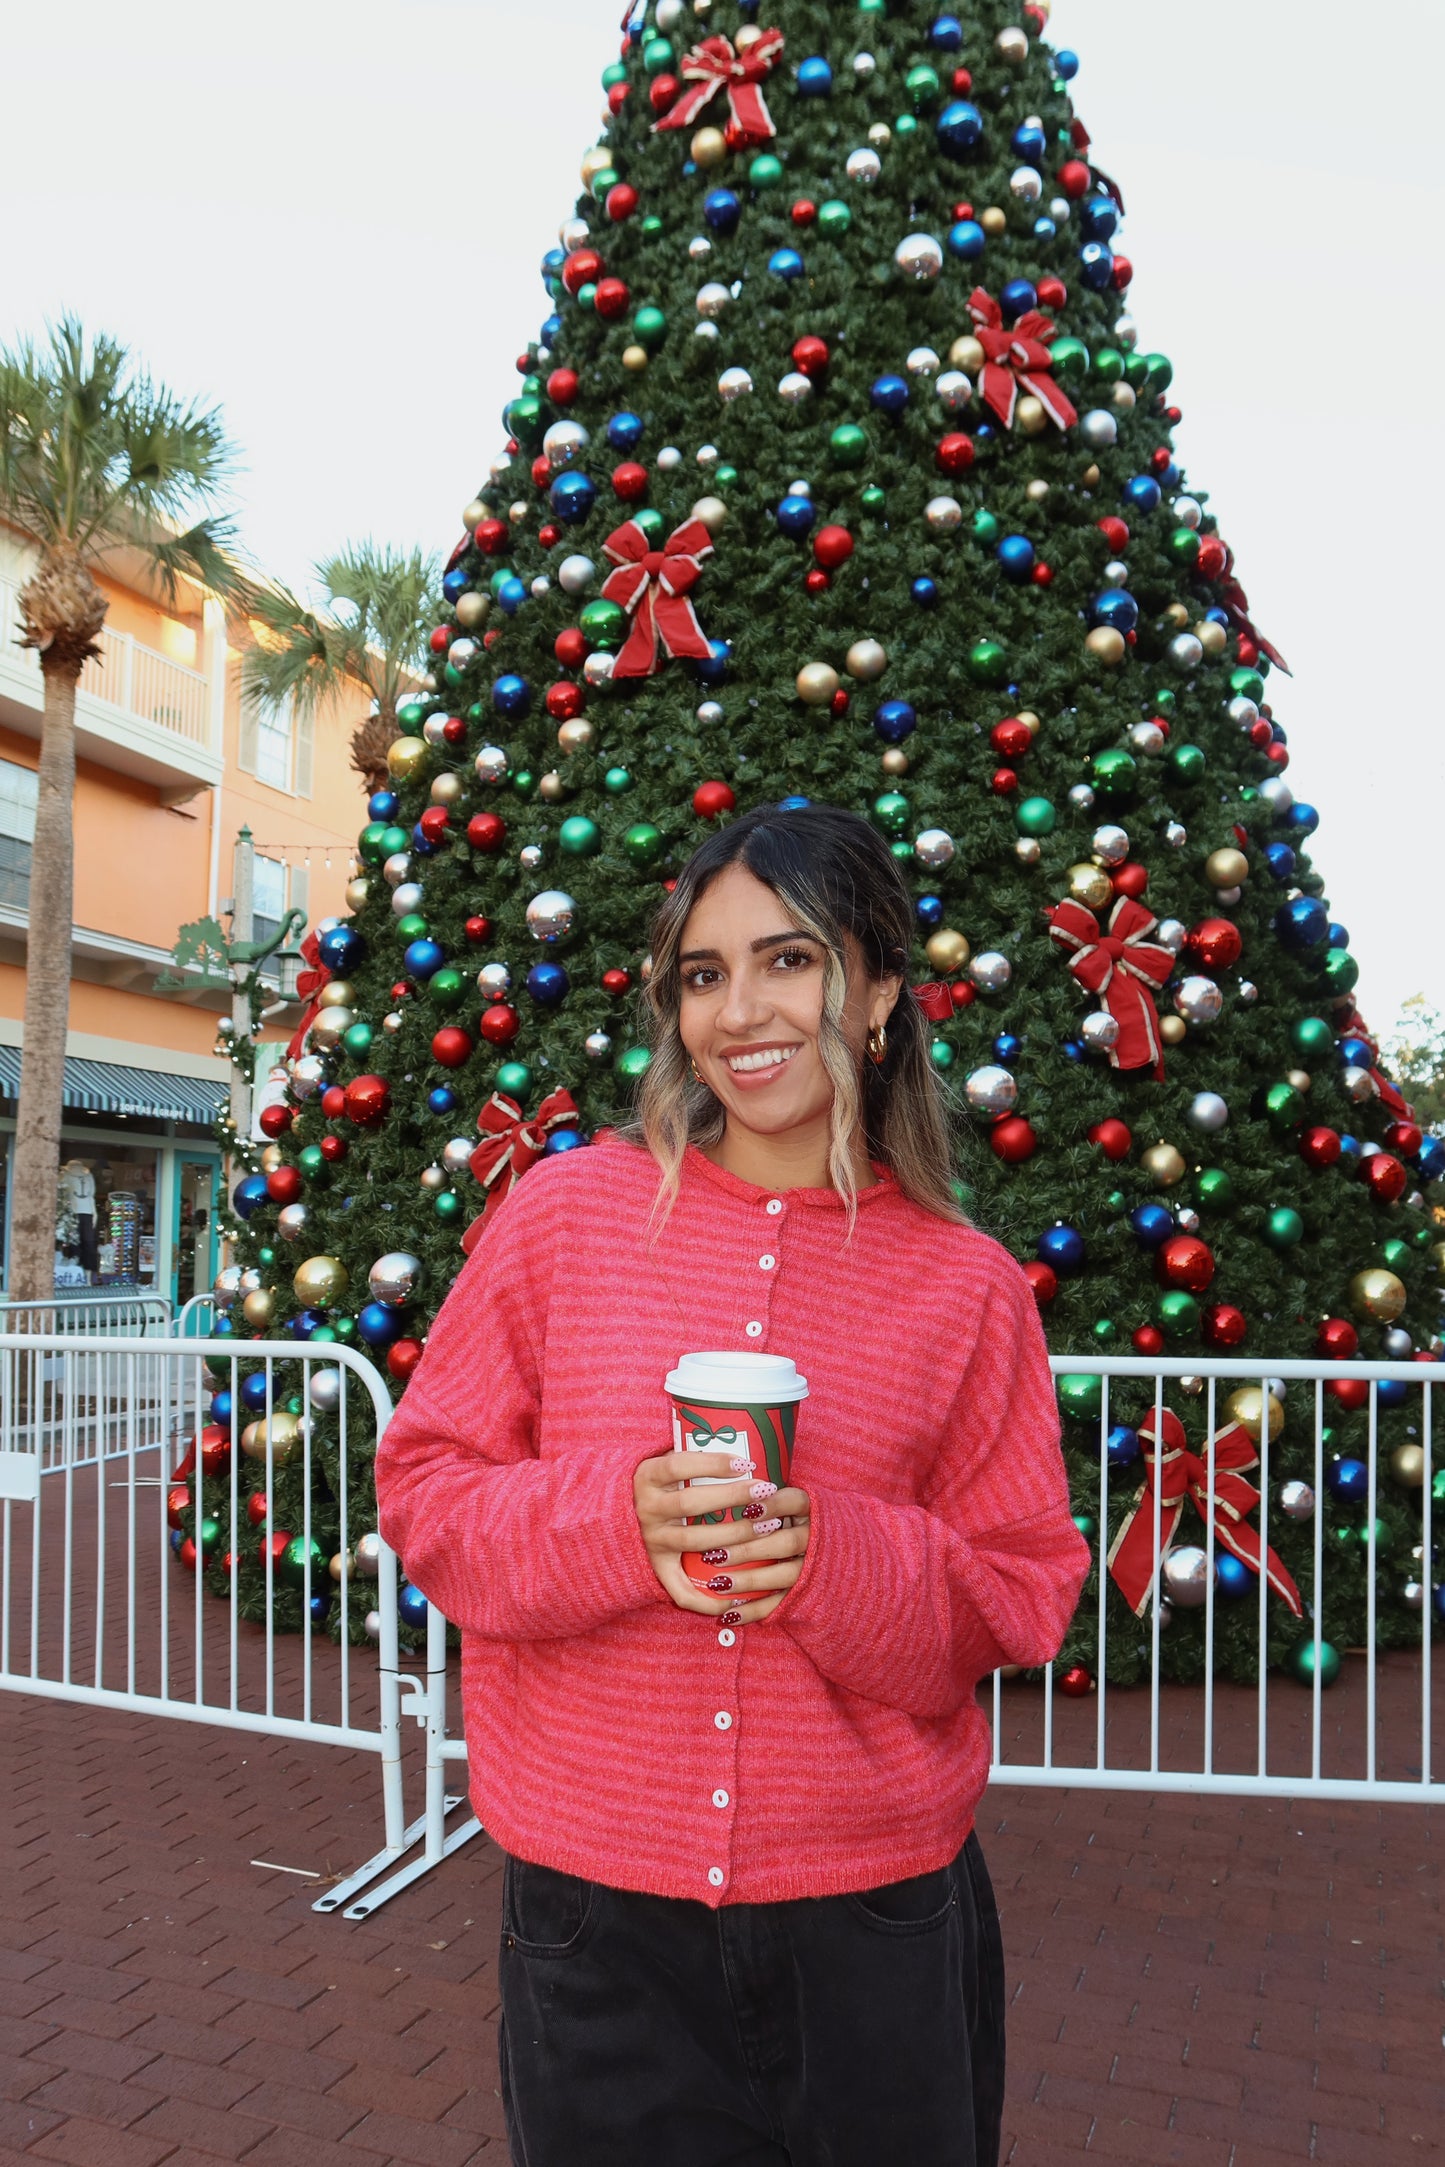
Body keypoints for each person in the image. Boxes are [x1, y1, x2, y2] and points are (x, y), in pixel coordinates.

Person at [373, 802, 1090, 2167]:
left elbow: (1021, 1590)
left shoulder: (967, 1286)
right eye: (703, 974)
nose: (741, 1011)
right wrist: (613, 1520)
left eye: (790, 960)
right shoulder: (566, 1218)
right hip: (595, 1926)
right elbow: (424, 1488)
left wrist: (838, 1561)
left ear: (878, 991)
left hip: (876, 1921)